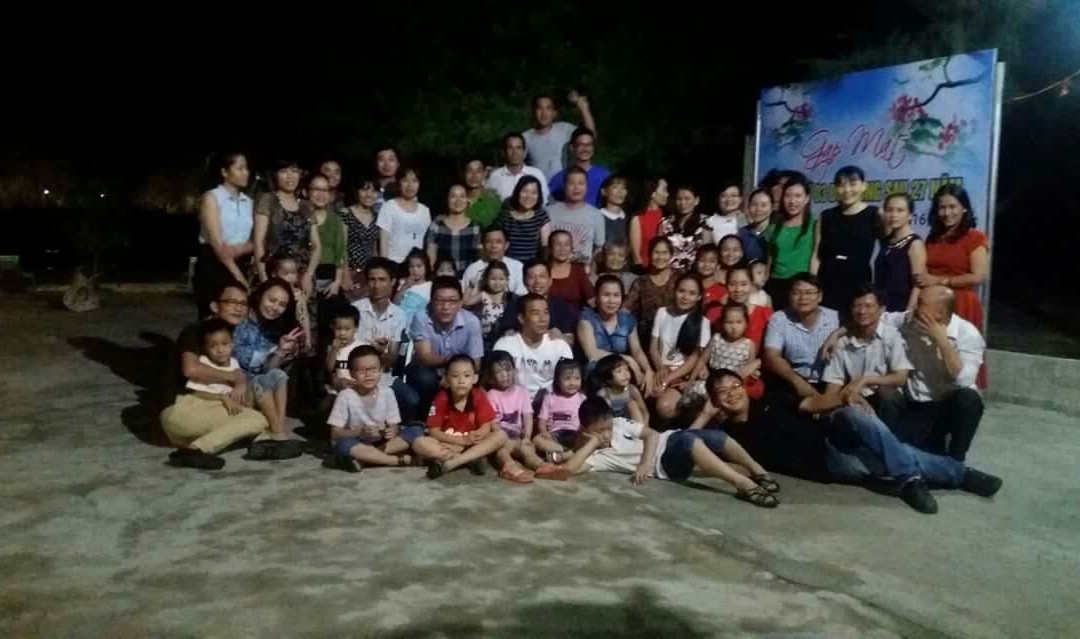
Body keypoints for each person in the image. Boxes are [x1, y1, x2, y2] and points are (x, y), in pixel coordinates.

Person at [700, 368, 1001, 514]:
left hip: (832, 433)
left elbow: (814, 403)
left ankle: (909, 480)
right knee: (889, 455)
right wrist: (704, 414)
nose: (731, 393)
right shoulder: (729, 437)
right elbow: (703, 455)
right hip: (828, 463)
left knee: (852, 414)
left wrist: (845, 396)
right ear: (715, 401)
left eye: (735, 385)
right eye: (722, 392)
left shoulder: (770, 400)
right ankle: (959, 474)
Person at [559, 397, 779, 508]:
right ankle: (744, 485)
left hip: (668, 440)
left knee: (715, 436)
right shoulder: (596, 457)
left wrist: (644, 463)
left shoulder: (619, 423)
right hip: (664, 463)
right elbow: (568, 469)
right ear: (585, 429)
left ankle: (759, 472)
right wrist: (592, 442)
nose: (607, 434)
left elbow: (652, 434)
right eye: (600, 431)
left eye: (608, 428)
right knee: (689, 441)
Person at [876, 285, 986, 461]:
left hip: (945, 404)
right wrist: (840, 332)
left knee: (969, 399)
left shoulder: (967, 334)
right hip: (915, 404)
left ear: (941, 312)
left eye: (921, 303)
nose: (915, 307)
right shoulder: (909, 320)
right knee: (887, 396)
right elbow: (876, 318)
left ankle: (956, 459)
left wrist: (942, 341)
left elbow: (964, 380)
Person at [161, 317, 272, 470]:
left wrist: (240, 383)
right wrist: (222, 396)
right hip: (188, 410)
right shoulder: (204, 363)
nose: (220, 350)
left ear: (232, 344)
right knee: (258, 420)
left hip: (200, 419)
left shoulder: (233, 364)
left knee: (251, 422)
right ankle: (196, 449)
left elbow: (239, 376)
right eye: (213, 346)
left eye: (224, 344)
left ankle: (263, 442)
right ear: (206, 349)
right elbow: (196, 392)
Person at [412, 355, 510, 479]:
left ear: (475, 378)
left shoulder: (478, 395)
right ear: (446, 379)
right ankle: (470, 460)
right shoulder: (441, 398)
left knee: (501, 435)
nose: (461, 381)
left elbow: (486, 426)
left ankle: (451, 463)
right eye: (455, 376)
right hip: (449, 443)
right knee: (419, 443)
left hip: (473, 444)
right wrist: (462, 441)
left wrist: (479, 434)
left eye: (466, 376)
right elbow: (434, 431)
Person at [328, 345, 423, 472]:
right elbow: (335, 433)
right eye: (362, 371)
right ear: (352, 373)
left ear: (381, 370)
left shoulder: (387, 392)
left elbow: (394, 424)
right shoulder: (345, 396)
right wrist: (359, 432)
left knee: (416, 430)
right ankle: (396, 460)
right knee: (343, 445)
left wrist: (392, 431)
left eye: (373, 369)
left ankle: (366, 459)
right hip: (357, 442)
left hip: (382, 443)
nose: (368, 375)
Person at [821, 285, 912, 416]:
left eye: (868, 306)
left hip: (885, 399)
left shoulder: (892, 336)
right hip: (855, 396)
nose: (862, 311)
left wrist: (865, 380)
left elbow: (900, 377)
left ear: (881, 309)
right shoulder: (842, 342)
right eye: (857, 306)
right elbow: (834, 382)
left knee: (887, 394)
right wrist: (827, 405)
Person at [483, 352, 569, 482]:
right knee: (501, 451)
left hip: (518, 437)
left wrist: (527, 437)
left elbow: (527, 416)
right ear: (491, 377)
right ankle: (509, 467)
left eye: (508, 370)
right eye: (498, 372)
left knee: (528, 449)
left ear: (514, 370)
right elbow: (493, 423)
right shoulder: (492, 395)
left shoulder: (522, 391)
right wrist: (502, 439)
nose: (504, 375)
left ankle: (542, 466)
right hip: (501, 438)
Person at [405, 276, 485, 415]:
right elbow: (425, 356)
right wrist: (449, 365)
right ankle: (425, 417)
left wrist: (453, 374)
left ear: (460, 303)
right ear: (431, 301)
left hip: (460, 371)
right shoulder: (421, 317)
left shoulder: (471, 321)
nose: (445, 307)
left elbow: (476, 363)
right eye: (440, 301)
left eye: (452, 301)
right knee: (425, 378)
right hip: (428, 369)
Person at [232, 278, 300, 439]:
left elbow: (268, 370)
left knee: (278, 375)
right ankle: (278, 433)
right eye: (272, 300)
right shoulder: (239, 319)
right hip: (236, 387)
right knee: (259, 381)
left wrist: (280, 352)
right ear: (260, 296)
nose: (275, 307)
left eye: (282, 304)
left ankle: (278, 428)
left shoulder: (275, 328)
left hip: (259, 387)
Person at [918, 184, 989, 336]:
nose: (947, 213)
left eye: (952, 207)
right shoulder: (933, 238)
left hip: (962, 303)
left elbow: (978, 277)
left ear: (964, 208)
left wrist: (940, 281)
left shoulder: (975, 237)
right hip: (934, 303)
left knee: (959, 348)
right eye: (942, 208)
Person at [812, 166, 881, 315]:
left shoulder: (874, 214)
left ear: (864, 186)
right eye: (841, 185)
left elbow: (886, 250)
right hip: (828, 279)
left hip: (859, 280)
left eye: (853, 184)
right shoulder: (826, 216)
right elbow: (816, 256)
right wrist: (812, 286)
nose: (847, 190)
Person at [193, 152, 254, 318]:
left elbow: (256, 240)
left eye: (247, 168)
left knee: (237, 318)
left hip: (240, 262)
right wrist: (239, 277)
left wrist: (242, 249)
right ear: (225, 172)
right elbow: (217, 243)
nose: (245, 173)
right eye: (240, 168)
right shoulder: (212, 198)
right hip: (213, 264)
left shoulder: (249, 202)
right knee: (213, 318)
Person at [762, 272, 839, 400]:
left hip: (830, 384)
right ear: (789, 296)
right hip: (793, 382)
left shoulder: (835, 318)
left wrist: (837, 333)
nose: (803, 297)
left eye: (809, 292)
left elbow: (858, 324)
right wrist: (797, 382)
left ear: (820, 296)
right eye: (796, 293)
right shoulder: (779, 318)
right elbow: (771, 356)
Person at [577, 274, 654, 392]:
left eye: (616, 295)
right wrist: (627, 359)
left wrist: (648, 370)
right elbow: (592, 354)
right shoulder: (586, 318)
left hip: (623, 373)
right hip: (597, 374)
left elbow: (637, 351)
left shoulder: (627, 320)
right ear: (596, 297)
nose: (611, 301)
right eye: (606, 295)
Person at [649, 273, 710, 421]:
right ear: (674, 291)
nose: (685, 297)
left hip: (683, 374)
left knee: (665, 407)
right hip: (661, 368)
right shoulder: (662, 313)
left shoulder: (703, 322)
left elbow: (693, 359)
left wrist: (667, 380)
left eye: (692, 293)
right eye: (681, 291)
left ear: (699, 297)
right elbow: (653, 348)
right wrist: (660, 368)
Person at [253, 159, 319, 293]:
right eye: (283, 171)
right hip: (273, 273)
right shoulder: (268, 200)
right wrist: (265, 280)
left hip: (302, 277)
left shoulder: (306, 206)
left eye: (294, 171)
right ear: (275, 175)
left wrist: (309, 275)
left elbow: (317, 245)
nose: (290, 176)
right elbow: (258, 242)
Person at [493, 293, 575, 400]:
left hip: (552, 402)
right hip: (515, 403)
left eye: (546, 312)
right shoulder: (505, 346)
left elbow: (570, 381)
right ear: (521, 318)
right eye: (536, 313)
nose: (543, 319)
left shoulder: (560, 345)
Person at [691, 302, 764, 400]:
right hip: (713, 381)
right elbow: (702, 360)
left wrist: (753, 375)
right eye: (729, 322)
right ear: (722, 323)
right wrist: (691, 380)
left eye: (739, 322)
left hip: (734, 386)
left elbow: (749, 369)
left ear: (746, 324)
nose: (734, 327)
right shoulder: (716, 338)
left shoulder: (749, 345)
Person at [353, 257, 407, 387]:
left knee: (410, 397)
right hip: (356, 375)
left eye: (382, 280)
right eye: (372, 280)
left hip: (385, 376)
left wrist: (382, 352)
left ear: (392, 281)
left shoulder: (399, 315)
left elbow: (392, 359)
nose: (376, 286)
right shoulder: (355, 310)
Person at [495, 261, 578, 343]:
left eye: (542, 276)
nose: (537, 281)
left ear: (550, 280)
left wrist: (561, 338)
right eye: (531, 277)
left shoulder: (560, 305)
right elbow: (505, 333)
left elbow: (570, 339)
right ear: (524, 281)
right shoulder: (515, 304)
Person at [523, 92, 598, 181]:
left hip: (566, 186)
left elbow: (590, 135)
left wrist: (583, 109)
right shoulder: (525, 137)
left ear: (554, 113)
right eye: (540, 108)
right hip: (539, 188)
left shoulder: (564, 129)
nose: (544, 113)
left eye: (548, 108)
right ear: (533, 112)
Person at [767, 172, 816, 306]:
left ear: (807, 199)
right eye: (788, 196)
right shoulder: (773, 226)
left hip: (802, 287)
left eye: (798, 196)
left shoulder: (815, 224)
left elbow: (816, 257)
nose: (792, 201)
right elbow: (769, 259)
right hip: (776, 286)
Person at [546, 167, 605, 269]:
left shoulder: (596, 214)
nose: (576, 188)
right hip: (553, 269)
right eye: (572, 183)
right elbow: (543, 245)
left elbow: (599, 247)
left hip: (582, 270)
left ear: (586, 187)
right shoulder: (549, 212)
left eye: (581, 183)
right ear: (565, 187)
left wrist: (591, 266)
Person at [875, 192, 926, 312]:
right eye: (889, 210)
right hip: (881, 307)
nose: (894, 215)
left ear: (910, 215)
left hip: (901, 308)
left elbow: (918, 285)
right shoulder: (886, 241)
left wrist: (909, 311)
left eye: (900, 210)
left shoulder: (915, 243)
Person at [533, 359, 587, 461]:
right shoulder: (549, 397)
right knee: (536, 440)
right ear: (557, 380)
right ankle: (565, 453)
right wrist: (544, 432)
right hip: (554, 435)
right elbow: (542, 421)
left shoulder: (582, 398)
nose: (572, 383)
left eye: (577, 378)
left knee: (588, 442)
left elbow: (586, 421)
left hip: (575, 433)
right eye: (567, 379)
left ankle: (559, 456)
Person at [625, 237, 676, 341]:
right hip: (647, 337)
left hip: (674, 334)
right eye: (656, 253)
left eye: (664, 253)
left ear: (671, 255)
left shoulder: (680, 278)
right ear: (649, 255)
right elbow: (626, 309)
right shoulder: (641, 282)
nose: (660, 257)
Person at [378, 166, 432, 265]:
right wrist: (385, 267)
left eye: (414, 181)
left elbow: (427, 243)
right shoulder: (388, 207)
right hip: (393, 265)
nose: (410, 185)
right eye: (405, 180)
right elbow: (383, 242)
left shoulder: (425, 211)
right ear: (398, 182)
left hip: (416, 268)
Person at [426, 184, 482, 277]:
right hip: (443, 280)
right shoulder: (436, 226)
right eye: (453, 196)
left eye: (462, 196)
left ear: (468, 200)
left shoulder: (475, 228)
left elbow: (479, 262)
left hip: (468, 280)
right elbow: (430, 261)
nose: (458, 200)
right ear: (447, 200)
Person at [308, 173, 348, 303]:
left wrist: (337, 281)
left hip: (328, 275)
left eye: (325, 190)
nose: (321, 194)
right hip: (305, 272)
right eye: (316, 189)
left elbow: (340, 252)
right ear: (306, 192)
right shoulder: (300, 216)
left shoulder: (335, 219)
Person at [461, 226, 528, 302]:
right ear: (483, 245)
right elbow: (464, 300)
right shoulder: (473, 269)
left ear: (506, 245)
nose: (493, 246)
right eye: (488, 241)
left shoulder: (517, 267)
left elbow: (521, 297)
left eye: (498, 242)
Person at [339, 176, 381, 297]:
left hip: (369, 275)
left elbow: (374, 249)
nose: (369, 195)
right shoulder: (345, 214)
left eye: (374, 191)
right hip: (350, 272)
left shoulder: (377, 217)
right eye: (364, 190)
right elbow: (341, 247)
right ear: (356, 191)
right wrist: (345, 275)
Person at [549, 127, 611, 206]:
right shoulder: (559, 178)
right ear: (572, 147)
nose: (585, 149)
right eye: (581, 144)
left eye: (589, 144)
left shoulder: (604, 175)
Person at [496, 176, 551, 263]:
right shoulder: (505, 214)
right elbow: (497, 241)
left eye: (534, 193)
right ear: (517, 192)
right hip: (508, 264)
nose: (529, 196)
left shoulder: (541, 215)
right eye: (525, 191)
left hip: (532, 265)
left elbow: (545, 246)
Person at [486, 132, 551, 204]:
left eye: (518, 148)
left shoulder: (536, 174)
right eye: (510, 148)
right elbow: (490, 204)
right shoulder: (495, 177)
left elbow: (544, 202)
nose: (515, 152)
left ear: (524, 152)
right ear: (503, 152)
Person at [659, 184, 711, 273]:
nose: (683, 203)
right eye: (679, 199)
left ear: (696, 200)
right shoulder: (665, 223)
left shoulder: (705, 223)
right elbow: (659, 249)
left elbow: (707, 254)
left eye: (687, 199)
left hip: (694, 274)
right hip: (669, 274)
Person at [270, 253, 313, 358]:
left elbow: (304, 316)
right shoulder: (270, 293)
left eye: (293, 273)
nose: (290, 277)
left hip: (294, 333)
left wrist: (308, 337)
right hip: (274, 335)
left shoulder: (298, 294)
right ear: (274, 274)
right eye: (285, 273)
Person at [466, 260, 516, 348]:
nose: (497, 283)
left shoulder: (510, 297)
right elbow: (466, 303)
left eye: (501, 279)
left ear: (507, 280)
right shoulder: (483, 295)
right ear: (486, 279)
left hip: (504, 338)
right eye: (493, 279)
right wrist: (470, 286)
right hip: (485, 339)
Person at [591, 353, 649, 426]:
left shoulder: (632, 390)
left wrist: (645, 425)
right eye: (619, 371)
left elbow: (644, 411)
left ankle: (641, 431)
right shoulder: (603, 394)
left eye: (627, 369)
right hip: (613, 427)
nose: (626, 374)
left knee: (632, 404)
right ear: (608, 379)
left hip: (633, 427)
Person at [725, 265, 773, 348]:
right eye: (732, 284)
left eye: (743, 284)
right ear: (726, 285)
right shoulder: (718, 314)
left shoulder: (765, 314)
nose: (738, 289)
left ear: (751, 285)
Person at [547, 230, 595, 312]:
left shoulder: (578, 270)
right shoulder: (543, 270)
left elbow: (591, 299)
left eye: (567, 244)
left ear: (571, 248)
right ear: (550, 248)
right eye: (558, 244)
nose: (562, 249)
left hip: (575, 317)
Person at [324, 304, 365, 398]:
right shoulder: (332, 347)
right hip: (337, 391)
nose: (342, 333)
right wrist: (334, 350)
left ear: (356, 328)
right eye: (338, 329)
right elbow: (329, 368)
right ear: (332, 327)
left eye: (347, 329)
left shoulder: (362, 347)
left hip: (357, 390)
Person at [629, 177, 669, 268]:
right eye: (664, 190)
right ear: (653, 193)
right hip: (645, 269)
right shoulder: (638, 218)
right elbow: (636, 256)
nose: (667, 194)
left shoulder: (666, 215)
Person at [395, 249, 434, 331]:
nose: (415, 270)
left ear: (426, 267)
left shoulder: (430, 286)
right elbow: (395, 303)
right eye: (411, 266)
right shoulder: (403, 282)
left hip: (415, 327)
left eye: (419, 266)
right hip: (397, 323)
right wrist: (404, 286)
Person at [462, 158, 503, 230]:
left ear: (484, 174)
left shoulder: (494, 201)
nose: (474, 176)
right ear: (463, 174)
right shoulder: (457, 201)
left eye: (478, 171)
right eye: (469, 171)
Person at [739, 189, 774, 262]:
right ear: (748, 207)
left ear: (771, 208)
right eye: (754, 205)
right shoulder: (742, 233)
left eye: (764, 205)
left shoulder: (777, 232)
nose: (758, 209)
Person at [694, 244, 726, 323]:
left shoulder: (723, 290)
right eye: (702, 260)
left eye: (712, 261)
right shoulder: (691, 285)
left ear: (718, 266)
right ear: (696, 263)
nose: (706, 264)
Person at [598, 174, 630, 246]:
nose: (620, 191)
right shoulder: (597, 217)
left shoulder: (628, 219)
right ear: (604, 191)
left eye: (623, 188)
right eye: (615, 187)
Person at [372, 145, 400, 213]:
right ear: (375, 164)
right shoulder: (369, 190)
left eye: (391, 159)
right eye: (381, 160)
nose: (386, 164)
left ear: (398, 164)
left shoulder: (404, 189)